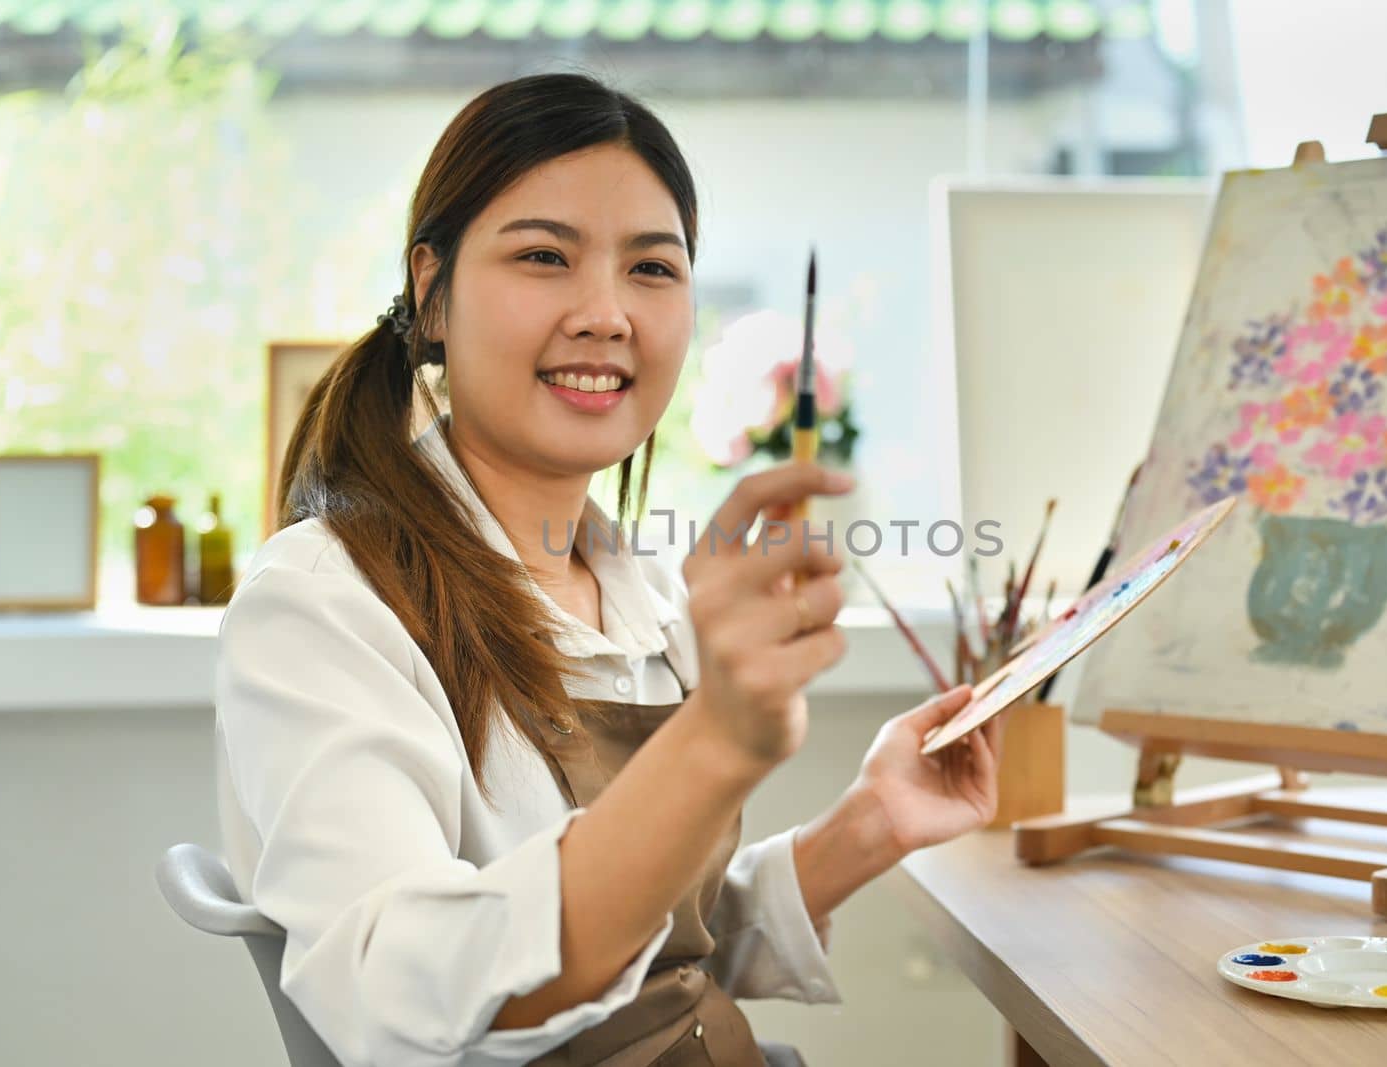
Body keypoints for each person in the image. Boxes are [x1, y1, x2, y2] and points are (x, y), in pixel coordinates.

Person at [214, 72, 1004, 1067]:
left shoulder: (641, 589)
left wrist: (871, 819)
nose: (605, 313)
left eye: (652, 269)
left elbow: (670, 941)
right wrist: (715, 739)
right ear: (432, 290)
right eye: (543, 256)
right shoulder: (324, 605)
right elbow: (393, 994)